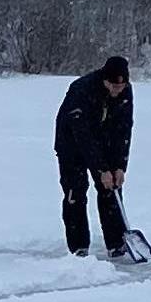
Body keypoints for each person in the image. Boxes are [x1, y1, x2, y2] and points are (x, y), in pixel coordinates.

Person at [54, 54, 136, 257]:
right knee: (76, 190)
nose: (118, 90)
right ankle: (78, 246)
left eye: (122, 85)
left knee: (112, 188)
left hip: (104, 139)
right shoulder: (81, 90)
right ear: (105, 80)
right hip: (71, 142)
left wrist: (119, 166)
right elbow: (83, 135)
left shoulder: (125, 91)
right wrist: (101, 169)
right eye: (114, 86)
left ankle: (117, 243)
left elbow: (123, 129)